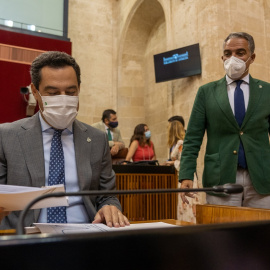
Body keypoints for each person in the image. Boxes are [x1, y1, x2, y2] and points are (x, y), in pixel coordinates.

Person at [0, 51, 130, 229]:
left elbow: (107, 195)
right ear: (35, 92)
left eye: (70, 92)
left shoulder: (97, 139)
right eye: (52, 93)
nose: (63, 99)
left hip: (85, 234)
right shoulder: (7, 136)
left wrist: (110, 207)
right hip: (27, 238)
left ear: (79, 89)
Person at [179, 32, 270, 209]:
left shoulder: (266, 91)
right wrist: (186, 175)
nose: (233, 58)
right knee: (223, 234)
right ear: (222, 57)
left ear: (252, 57)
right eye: (228, 54)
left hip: (262, 177)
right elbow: (192, 138)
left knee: (262, 235)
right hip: (220, 177)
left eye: (240, 53)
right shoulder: (206, 92)